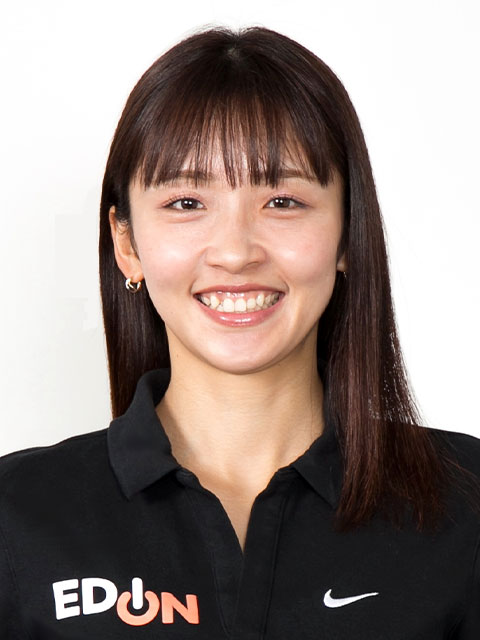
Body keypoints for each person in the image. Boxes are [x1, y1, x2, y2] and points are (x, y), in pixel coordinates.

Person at [1, 25, 479, 639]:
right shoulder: (18, 516)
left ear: (347, 235)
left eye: (282, 201)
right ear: (127, 245)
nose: (234, 252)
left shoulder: (465, 503)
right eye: (186, 203)